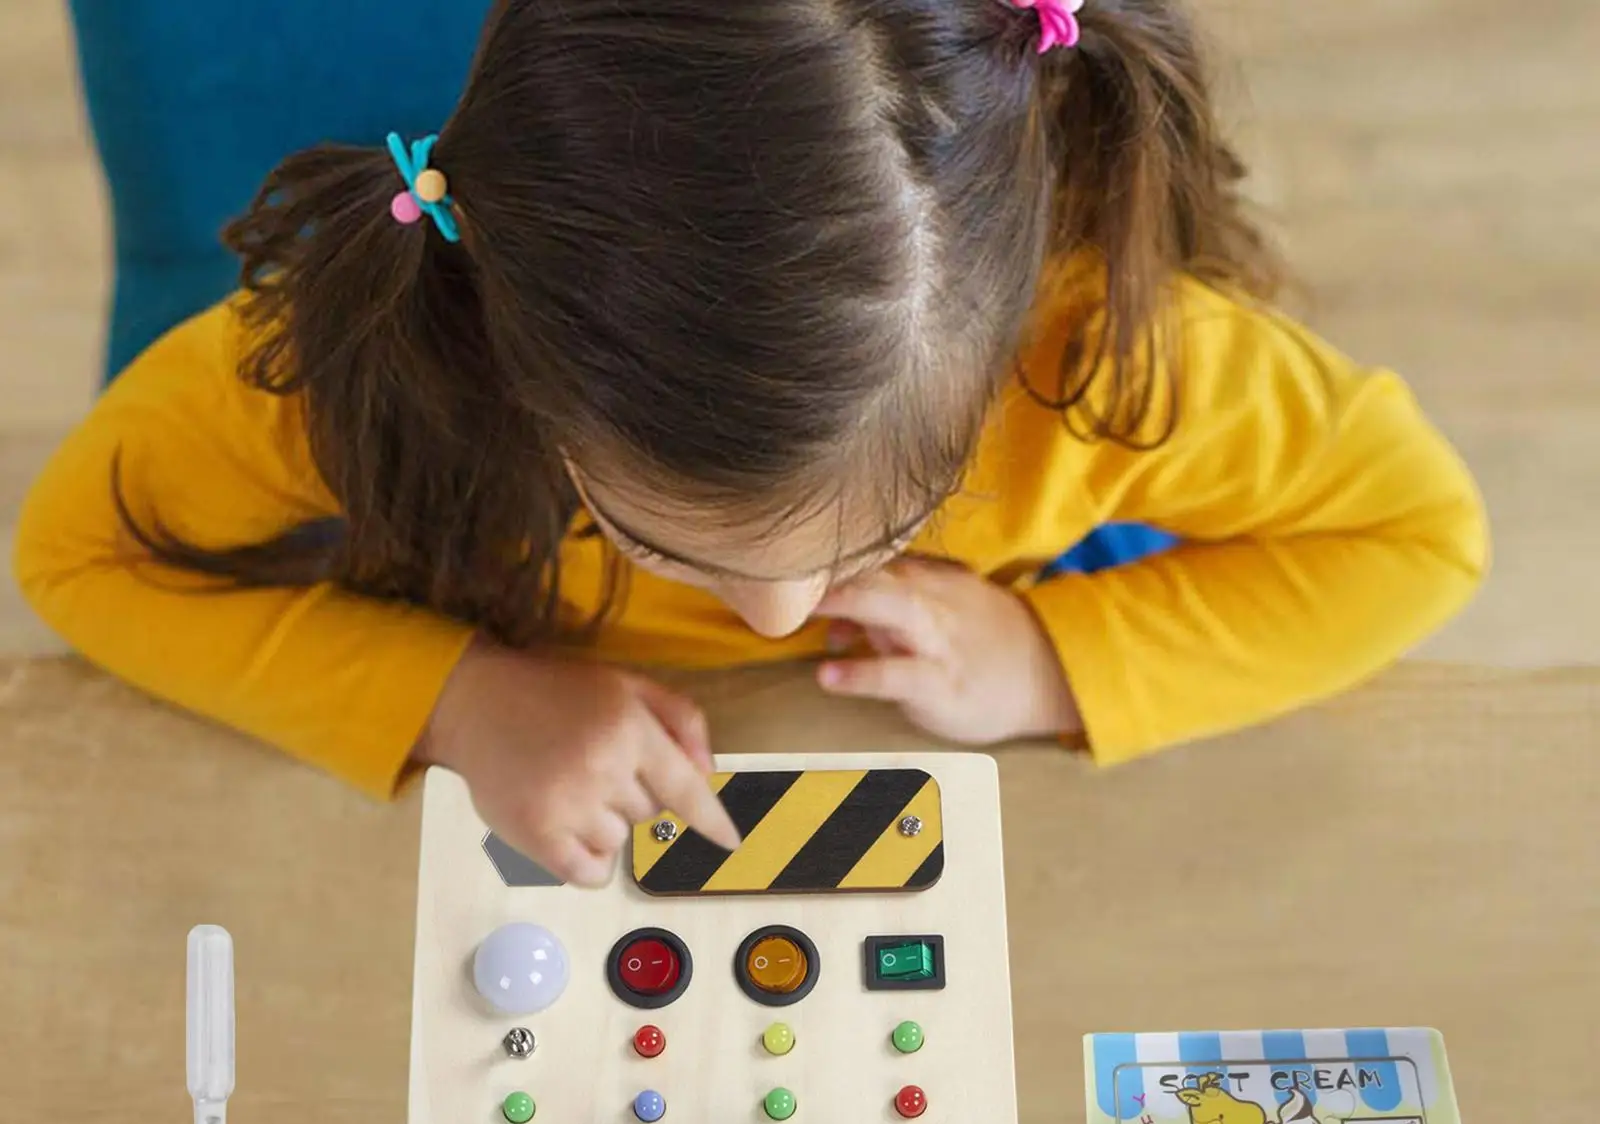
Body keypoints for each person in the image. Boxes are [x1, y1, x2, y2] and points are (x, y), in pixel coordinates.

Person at [15, 0, 1487, 884]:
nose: (778, 617)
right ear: (524, 371)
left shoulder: (1112, 351)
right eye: (654, 536)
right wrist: (457, 700)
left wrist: (1051, 663)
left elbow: (1419, 535)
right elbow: (77, 557)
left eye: (894, 522)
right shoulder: (369, 359)